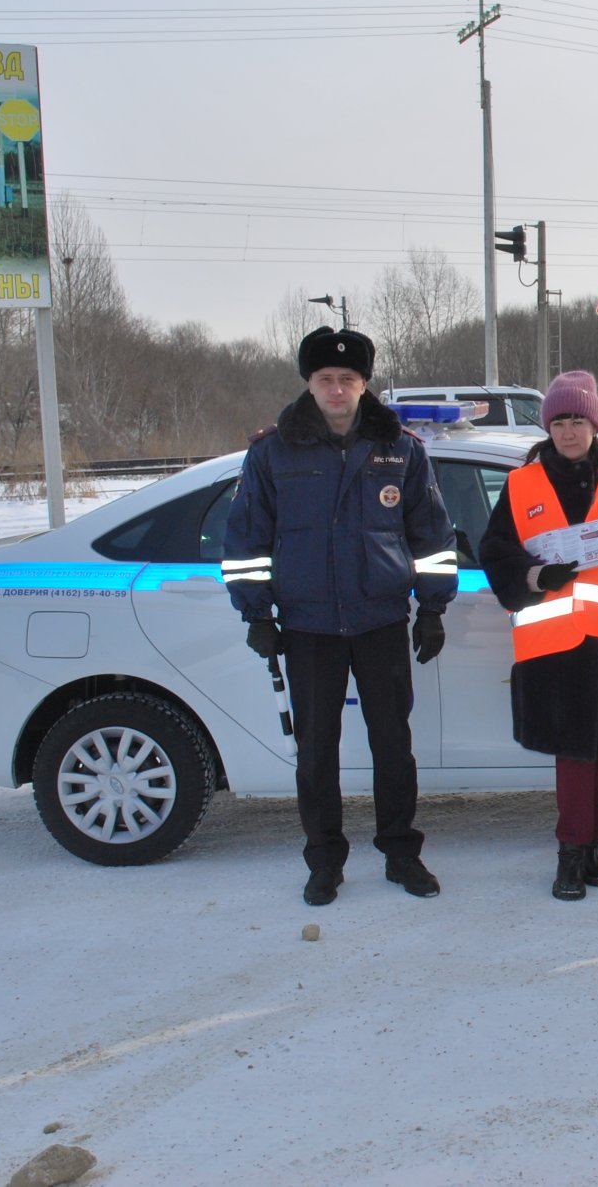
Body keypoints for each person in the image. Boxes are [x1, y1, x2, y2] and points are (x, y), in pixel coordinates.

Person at [222, 326, 458, 906]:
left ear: (363, 384)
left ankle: (402, 853)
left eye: (347, 379)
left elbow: (432, 536)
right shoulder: (273, 452)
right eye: (326, 379)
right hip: (308, 626)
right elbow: (246, 542)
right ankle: (324, 860)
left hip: (379, 621)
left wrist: (431, 608)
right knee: (317, 750)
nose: (336, 388)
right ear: (310, 382)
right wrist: (257, 615)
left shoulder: (400, 448)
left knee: (393, 747)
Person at [479, 371, 598, 900]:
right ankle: (568, 853)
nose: (568, 431)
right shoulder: (521, 484)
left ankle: (592, 849)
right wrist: (537, 577)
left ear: (594, 423)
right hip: (554, 642)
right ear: (548, 427)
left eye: (577, 420)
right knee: (573, 755)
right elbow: (493, 552)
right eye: (559, 421)